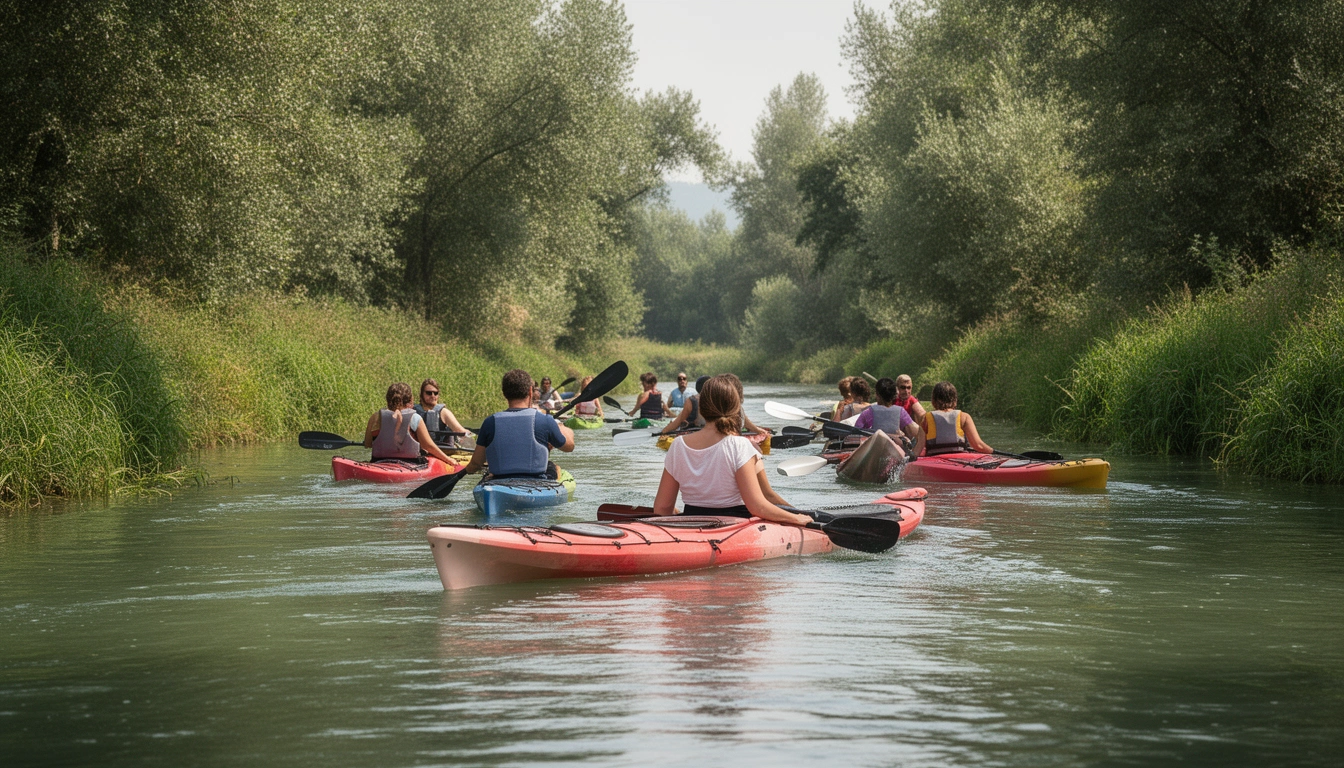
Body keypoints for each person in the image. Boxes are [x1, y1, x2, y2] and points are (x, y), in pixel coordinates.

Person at [653, 374, 811, 524]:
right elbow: (758, 507)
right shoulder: (740, 445)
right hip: (734, 527)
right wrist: (796, 518)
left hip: (691, 523)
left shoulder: (678, 445)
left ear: (701, 407)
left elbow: (661, 508)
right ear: (736, 408)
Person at [459, 369, 575, 480]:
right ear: (530, 391)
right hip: (536, 481)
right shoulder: (545, 421)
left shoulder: (490, 422)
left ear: (504, 393)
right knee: (553, 467)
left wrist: (465, 471)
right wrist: (562, 427)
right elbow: (569, 447)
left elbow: (476, 463)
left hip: (498, 481)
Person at [363, 382, 460, 465]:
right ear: (410, 400)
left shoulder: (375, 417)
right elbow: (428, 446)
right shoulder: (415, 418)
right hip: (410, 463)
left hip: (378, 462)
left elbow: (368, 444)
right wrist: (449, 460)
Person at [855, 377, 925, 456]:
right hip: (895, 453)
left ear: (877, 395)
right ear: (894, 395)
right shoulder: (901, 412)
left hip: (875, 452)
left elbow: (855, 435)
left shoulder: (868, 413)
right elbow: (916, 433)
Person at [920, 381, 992, 456]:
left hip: (933, 460)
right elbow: (978, 445)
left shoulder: (926, 419)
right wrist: (993, 452)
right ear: (955, 401)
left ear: (933, 401)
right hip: (961, 459)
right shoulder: (964, 417)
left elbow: (920, 448)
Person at [413, 378, 470, 448]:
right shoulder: (413, 411)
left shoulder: (444, 412)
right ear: (422, 394)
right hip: (419, 449)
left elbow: (460, 431)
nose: (433, 396)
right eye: (429, 393)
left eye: (435, 393)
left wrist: (471, 435)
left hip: (440, 449)